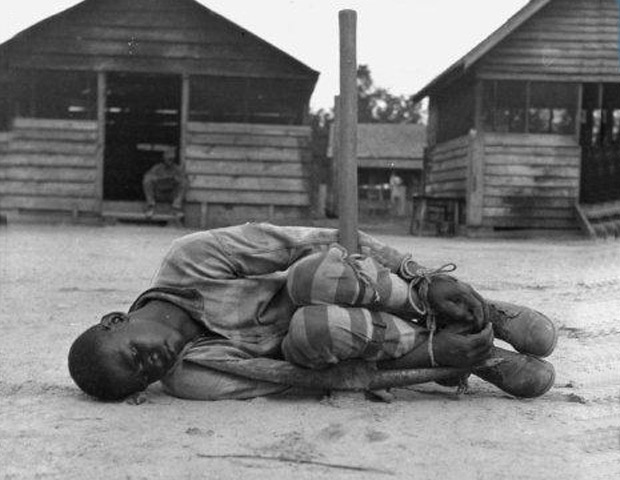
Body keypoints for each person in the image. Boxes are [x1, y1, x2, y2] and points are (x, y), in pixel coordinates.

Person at [68, 223, 557, 402]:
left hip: (371, 289)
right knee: (311, 328)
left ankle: (471, 310)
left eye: (134, 356)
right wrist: (433, 361)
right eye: (141, 380)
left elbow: (313, 240)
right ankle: (473, 354)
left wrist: (424, 275)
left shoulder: (189, 258)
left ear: (116, 320)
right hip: (349, 340)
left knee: (309, 276)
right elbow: (302, 380)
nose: (151, 368)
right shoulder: (189, 377)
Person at [142, 148, 188, 218]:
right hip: (159, 193)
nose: (170, 161)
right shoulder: (157, 168)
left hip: (171, 195)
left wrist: (176, 179)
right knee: (147, 181)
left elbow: (184, 179)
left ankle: (176, 208)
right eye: (168, 159)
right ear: (164, 159)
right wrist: (157, 178)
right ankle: (150, 207)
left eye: (172, 159)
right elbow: (147, 177)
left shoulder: (177, 169)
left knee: (184, 182)